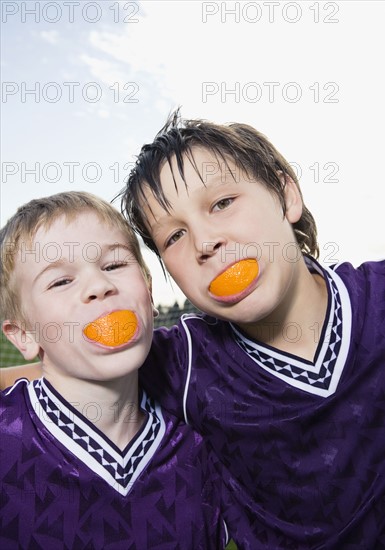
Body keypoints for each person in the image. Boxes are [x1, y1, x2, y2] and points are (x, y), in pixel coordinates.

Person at [119, 111, 385, 549]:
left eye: (221, 203)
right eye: (174, 236)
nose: (205, 242)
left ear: (285, 195)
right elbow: (66, 380)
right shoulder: (185, 362)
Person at [0, 191, 232, 549]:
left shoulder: (200, 447)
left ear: (148, 292)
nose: (99, 286)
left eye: (114, 265)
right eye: (61, 281)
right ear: (25, 336)